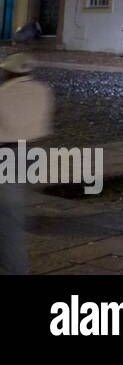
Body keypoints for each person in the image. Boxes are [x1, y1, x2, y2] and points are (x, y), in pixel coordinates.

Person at [0, 54, 52, 275]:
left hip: (7, 153)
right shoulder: (43, 90)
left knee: (9, 222)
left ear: (9, 72)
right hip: (34, 153)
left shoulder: (3, 94)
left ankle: (15, 269)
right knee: (13, 213)